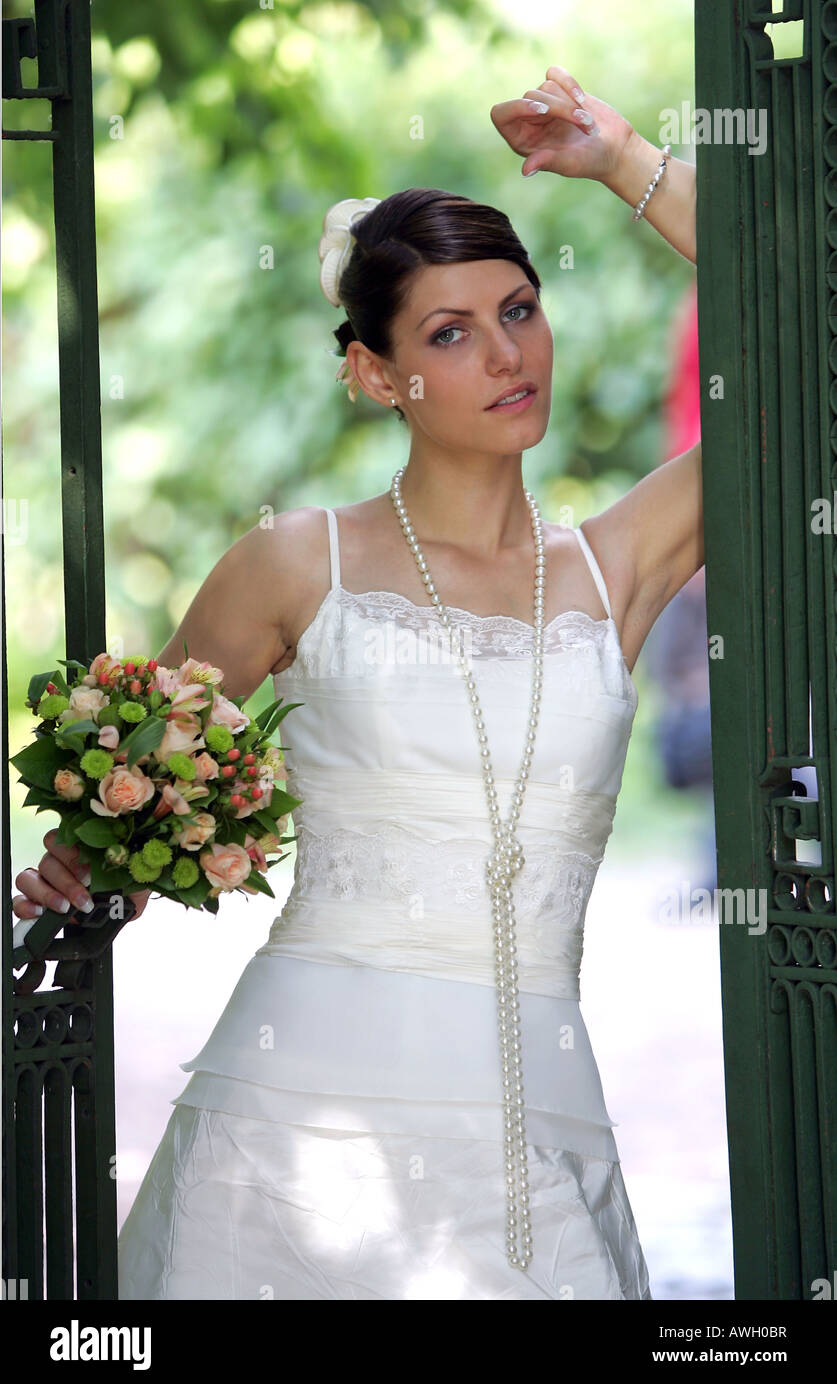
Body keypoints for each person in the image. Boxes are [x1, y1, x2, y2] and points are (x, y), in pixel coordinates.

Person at [11, 64, 704, 1299]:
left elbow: (807, 330)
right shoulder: (293, 562)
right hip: (296, 1134)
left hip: (539, 1112)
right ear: (381, 376)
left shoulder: (617, 568)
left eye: (520, 310)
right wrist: (92, 864)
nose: (504, 354)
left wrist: (620, 161)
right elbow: (130, 810)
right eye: (449, 332)